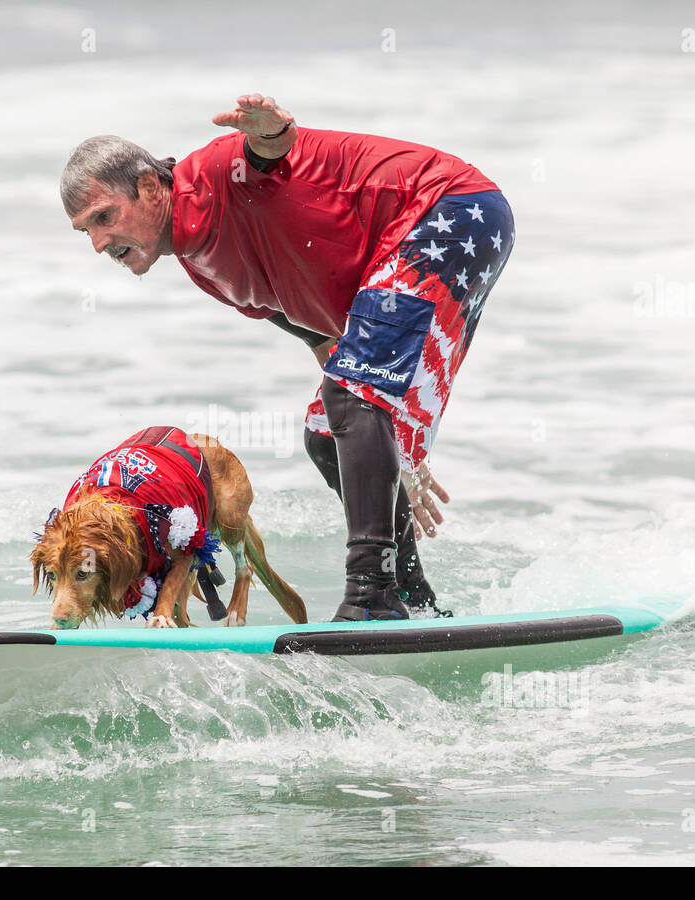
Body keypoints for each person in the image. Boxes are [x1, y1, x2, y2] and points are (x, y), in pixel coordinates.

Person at [61, 94, 514, 621]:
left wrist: (271, 130)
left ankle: (371, 598)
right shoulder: (204, 266)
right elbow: (324, 341)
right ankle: (409, 596)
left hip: (450, 210)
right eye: (85, 231)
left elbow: (265, 154)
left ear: (147, 187)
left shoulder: (207, 176)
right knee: (327, 432)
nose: (97, 243)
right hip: (417, 236)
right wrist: (390, 441)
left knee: (349, 399)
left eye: (104, 217)